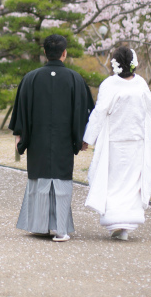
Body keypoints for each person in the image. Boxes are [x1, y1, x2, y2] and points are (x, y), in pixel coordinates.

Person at [10, 34, 95, 242]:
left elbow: (21, 112)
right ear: (64, 53)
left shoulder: (30, 78)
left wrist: (20, 137)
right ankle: (60, 229)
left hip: (38, 141)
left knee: (39, 180)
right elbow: (86, 112)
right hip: (64, 141)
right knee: (61, 181)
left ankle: (39, 225)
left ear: (45, 53)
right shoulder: (76, 79)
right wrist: (82, 138)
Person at [82, 46, 151, 241]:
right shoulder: (140, 83)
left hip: (115, 142)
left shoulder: (109, 84)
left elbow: (99, 113)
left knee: (113, 182)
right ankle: (125, 225)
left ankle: (116, 222)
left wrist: (88, 139)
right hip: (136, 141)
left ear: (114, 63)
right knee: (131, 183)